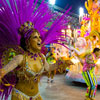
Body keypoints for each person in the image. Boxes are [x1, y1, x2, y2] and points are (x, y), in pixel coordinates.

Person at [0, 0, 71, 100]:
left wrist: (61, 63)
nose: (39, 39)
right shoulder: (20, 58)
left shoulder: (41, 57)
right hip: (20, 96)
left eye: (39, 37)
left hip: (36, 95)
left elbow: (48, 68)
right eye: (35, 37)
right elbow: (3, 71)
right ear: (28, 42)